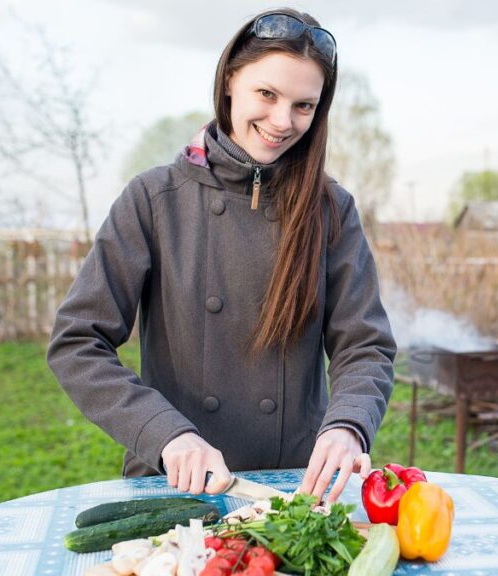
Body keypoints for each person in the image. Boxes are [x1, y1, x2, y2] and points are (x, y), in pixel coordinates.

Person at [46, 8, 395, 503]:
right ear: (231, 80)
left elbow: (366, 346)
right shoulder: (152, 199)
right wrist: (165, 434)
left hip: (295, 493)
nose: (281, 121)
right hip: (173, 488)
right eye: (267, 94)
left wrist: (348, 425)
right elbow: (77, 343)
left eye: (303, 106)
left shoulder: (330, 209)